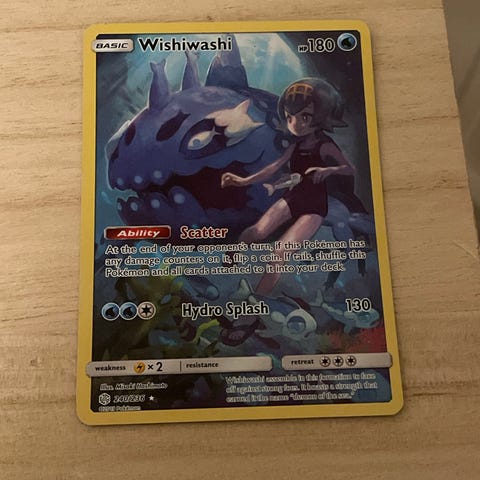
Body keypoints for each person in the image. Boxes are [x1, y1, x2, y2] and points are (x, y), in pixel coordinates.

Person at [221, 78, 355, 296]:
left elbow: (349, 169)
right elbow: (274, 167)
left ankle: (258, 299)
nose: (295, 124)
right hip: (293, 198)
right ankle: (231, 259)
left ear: (321, 116)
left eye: (305, 117)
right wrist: (242, 181)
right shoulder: (296, 145)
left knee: (280, 251)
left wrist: (328, 170)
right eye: (290, 117)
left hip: (314, 208)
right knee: (256, 232)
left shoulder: (325, 146)